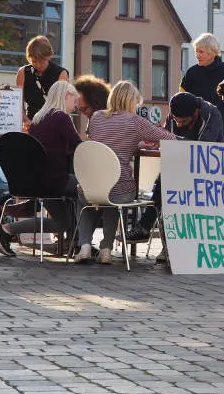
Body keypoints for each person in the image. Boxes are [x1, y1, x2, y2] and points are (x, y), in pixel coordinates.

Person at [74, 80, 176, 265]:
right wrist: (139, 142)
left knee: (84, 196)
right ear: (131, 101)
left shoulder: (96, 117)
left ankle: (85, 246)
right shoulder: (135, 121)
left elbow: (103, 143)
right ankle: (106, 249)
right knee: (115, 197)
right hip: (120, 190)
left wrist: (135, 143)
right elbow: (168, 137)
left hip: (92, 187)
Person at [130, 92, 224, 261]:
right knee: (162, 185)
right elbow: (167, 138)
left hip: (206, 170)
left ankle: (149, 230)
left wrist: (173, 142)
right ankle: (159, 239)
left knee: (172, 193)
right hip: (178, 164)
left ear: (195, 113)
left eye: (184, 121)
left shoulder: (211, 115)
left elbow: (201, 149)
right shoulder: (174, 115)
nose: (179, 123)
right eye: (176, 120)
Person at [0, 81, 82, 257]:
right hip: (54, 181)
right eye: (74, 101)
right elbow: (79, 146)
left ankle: (6, 230)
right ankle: (82, 244)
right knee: (85, 188)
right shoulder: (61, 117)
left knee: (62, 223)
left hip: (36, 181)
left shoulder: (37, 119)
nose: (75, 106)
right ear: (66, 96)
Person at [180, 33, 224, 143]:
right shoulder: (191, 73)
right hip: (196, 132)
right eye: (196, 51)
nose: (197, 55)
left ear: (213, 52)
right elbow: (181, 101)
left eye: (201, 52)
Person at [16, 35, 69, 124]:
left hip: (53, 123)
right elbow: (18, 102)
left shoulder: (61, 74)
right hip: (30, 121)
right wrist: (26, 120)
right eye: (34, 61)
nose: (38, 65)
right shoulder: (23, 72)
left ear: (49, 56)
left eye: (42, 61)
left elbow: (63, 105)